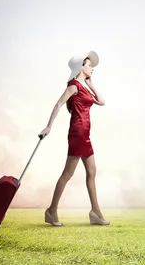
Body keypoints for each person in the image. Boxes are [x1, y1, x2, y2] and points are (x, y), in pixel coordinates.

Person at [38, 50, 110, 226]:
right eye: (89, 65)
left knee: (92, 172)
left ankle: (95, 212)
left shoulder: (84, 86)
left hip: (85, 135)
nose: (92, 68)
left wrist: (92, 84)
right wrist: (49, 126)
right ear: (81, 67)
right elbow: (59, 103)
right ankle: (51, 211)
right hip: (77, 134)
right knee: (68, 173)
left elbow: (102, 101)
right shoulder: (73, 85)